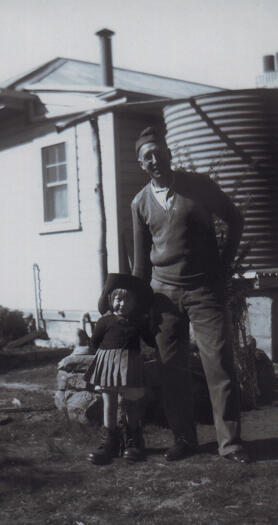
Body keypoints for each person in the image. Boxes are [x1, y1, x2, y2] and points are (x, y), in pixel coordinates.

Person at [131, 125, 250, 463]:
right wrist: (142, 307)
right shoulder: (139, 203)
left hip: (204, 290)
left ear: (168, 152)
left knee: (219, 364)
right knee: (172, 369)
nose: (155, 160)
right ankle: (184, 438)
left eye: (158, 152)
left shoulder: (199, 187)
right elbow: (140, 263)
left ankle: (230, 443)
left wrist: (223, 268)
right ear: (141, 164)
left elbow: (236, 220)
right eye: (147, 156)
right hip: (163, 296)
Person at [85, 273, 155, 465]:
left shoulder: (139, 322)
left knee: (131, 404)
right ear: (110, 299)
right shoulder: (104, 322)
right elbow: (95, 342)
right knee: (110, 403)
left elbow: (151, 340)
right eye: (117, 299)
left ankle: (132, 440)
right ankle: (109, 441)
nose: (121, 304)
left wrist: (152, 324)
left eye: (127, 300)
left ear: (135, 303)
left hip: (130, 366)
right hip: (108, 365)